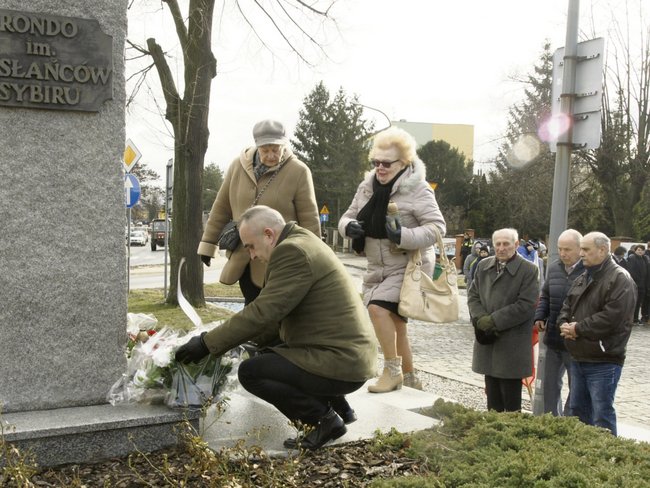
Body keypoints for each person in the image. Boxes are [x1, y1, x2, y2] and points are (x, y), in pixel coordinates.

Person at [176, 206, 377, 450]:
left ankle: (324, 421)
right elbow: (276, 318)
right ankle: (338, 405)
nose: (251, 255)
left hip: (342, 361)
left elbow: (264, 312)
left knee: (252, 372)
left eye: (250, 245)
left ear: (269, 234)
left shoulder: (292, 251)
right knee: (266, 354)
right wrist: (237, 343)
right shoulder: (301, 240)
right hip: (347, 354)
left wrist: (206, 343)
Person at [338, 126, 446, 393]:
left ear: (404, 163)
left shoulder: (418, 189)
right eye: (376, 163)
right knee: (397, 326)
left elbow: (437, 228)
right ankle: (410, 379)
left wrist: (403, 235)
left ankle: (391, 371)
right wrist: (347, 227)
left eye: (386, 164)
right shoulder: (367, 186)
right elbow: (347, 215)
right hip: (377, 267)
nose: (380, 169)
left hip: (408, 266)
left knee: (377, 309)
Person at [198, 119, 320, 307]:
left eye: (276, 149)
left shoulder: (298, 171)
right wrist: (208, 244)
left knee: (276, 311)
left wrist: (315, 258)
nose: (271, 155)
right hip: (244, 256)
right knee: (252, 305)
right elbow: (221, 207)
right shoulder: (237, 167)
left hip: (281, 260)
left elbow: (309, 219)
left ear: (284, 145)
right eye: (265, 150)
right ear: (257, 147)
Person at [558, 232, 636, 435]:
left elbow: (613, 317)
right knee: (576, 412)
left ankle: (604, 460)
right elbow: (567, 306)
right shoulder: (584, 276)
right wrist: (564, 324)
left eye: (585, 249)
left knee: (601, 415)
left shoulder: (620, 279)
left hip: (604, 359)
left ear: (602, 250)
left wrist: (578, 328)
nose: (580, 254)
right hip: (578, 356)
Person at [468, 228, 539, 412]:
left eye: (506, 243)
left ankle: (509, 436)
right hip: (488, 340)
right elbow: (473, 295)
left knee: (510, 402)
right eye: (497, 244)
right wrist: (480, 318)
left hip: (512, 344)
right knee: (492, 397)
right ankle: (493, 432)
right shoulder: (483, 266)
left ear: (516, 245)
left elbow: (526, 305)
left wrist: (494, 320)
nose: (501, 248)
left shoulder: (529, 270)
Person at [533, 229, 584, 416]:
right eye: (560, 249)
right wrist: (540, 315)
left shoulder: (588, 271)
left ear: (580, 249)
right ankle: (552, 421)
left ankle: (570, 422)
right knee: (550, 386)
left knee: (576, 387)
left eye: (568, 249)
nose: (563, 253)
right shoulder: (554, 267)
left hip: (576, 341)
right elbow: (545, 295)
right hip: (553, 338)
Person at [625, 244, 648, 324]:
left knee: (639, 302)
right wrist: (638, 280)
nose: (640, 251)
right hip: (635, 284)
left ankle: (635, 318)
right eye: (638, 250)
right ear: (635, 250)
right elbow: (631, 271)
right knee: (633, 302)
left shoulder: (644, 259)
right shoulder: (632, 258)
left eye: (642, 250)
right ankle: (631, 318)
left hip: (642, 285)